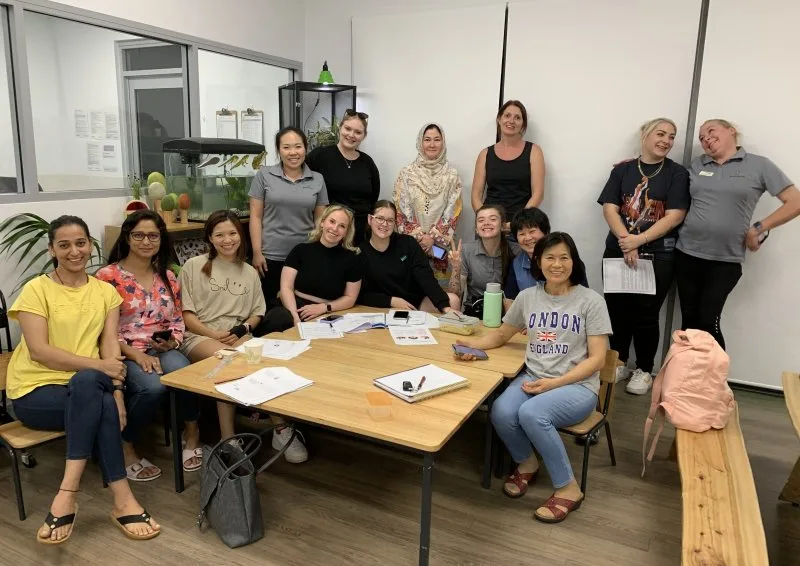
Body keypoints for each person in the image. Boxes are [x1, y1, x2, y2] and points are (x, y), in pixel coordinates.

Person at [6, 215, 160, 543]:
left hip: (89, 384)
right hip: (36, 391)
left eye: (80, 243)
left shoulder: (105, 292)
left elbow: (109, 349)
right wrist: (103, 375)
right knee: (93, 388)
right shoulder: (37, 290)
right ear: (52, 250)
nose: (74, 251)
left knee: (91, 385)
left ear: (90, 246)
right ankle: (120, 499)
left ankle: (67, 495)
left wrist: (119, 396)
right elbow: (40, 352)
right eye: (64, 245)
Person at [455, 232, 612, 524]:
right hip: (535, 377)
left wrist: (554, 383)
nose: (557, 264)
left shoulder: (591, 301)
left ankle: (568, 488)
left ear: (573, 261)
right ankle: (527, 462)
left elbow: (598, 359)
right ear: (538, 262)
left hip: (577, 387)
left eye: (564, 257)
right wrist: (470, 345)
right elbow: (503, 334)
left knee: (531, 413)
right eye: (549, 257)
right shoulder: (528, 297)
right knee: (500, 411)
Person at [178, 211, 304, 463]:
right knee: (230, 361)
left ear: (241, 235)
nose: (227, 240)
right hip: (198, 336)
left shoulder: (248, 271)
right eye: (220, 235)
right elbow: (187, 315)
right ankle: (228, 439)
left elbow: (257, 314)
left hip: (237, 335)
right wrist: (213, 333)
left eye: (233, 233)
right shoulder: (193, 266)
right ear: (210, 239)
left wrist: (241, 330)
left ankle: (280, 428)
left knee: (265, 362)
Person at [675, 119, 800, 349]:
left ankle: (713, 382)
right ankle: (687, 380)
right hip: (686, 255)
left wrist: (760, 227)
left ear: (731, 131)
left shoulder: (759, 165)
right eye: (701, 138)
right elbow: (671, 182)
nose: (706, 139)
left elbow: (795, 202)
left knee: (708, 320)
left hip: (725, 261)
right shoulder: (697, 164)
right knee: (689, 323)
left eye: (711, 131)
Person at [96, 210, 202, 480]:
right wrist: (134, 355)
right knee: (152, 388)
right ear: (127, 238)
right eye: (139, 235)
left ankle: (191, 436)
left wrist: (173, 341)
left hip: (160, 348)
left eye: (153, 235)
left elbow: (178, 318)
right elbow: (99, 329)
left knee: (185, 373)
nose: (146, 241)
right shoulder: (107, 277)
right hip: (123, 351)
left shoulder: (167, 275)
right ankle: (125, 445)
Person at [597, 118, 690, 395]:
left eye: (671, 137)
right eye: (661, 134)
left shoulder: (677, 174)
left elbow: (675, 215)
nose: (666, 141)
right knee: (616, 310)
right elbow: (610, 209)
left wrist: (639, 240)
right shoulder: (623, 170)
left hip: (657, 256)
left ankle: (645, 369)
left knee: (647, 315)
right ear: (645, 136)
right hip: (618, 252)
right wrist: (627, 242)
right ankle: (620, 361)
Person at [249, 126, 328, 316]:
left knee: (300, 311)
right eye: (286, 147)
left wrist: (319, 255)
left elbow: (320, 220)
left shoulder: (317, 179)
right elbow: (256, 216)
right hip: (270, 258)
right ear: (278, 150)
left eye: (298, 146)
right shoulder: (264, 175)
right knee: (270, 312)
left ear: (305, 148)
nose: (293, 152)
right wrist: (257, 252)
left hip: (305, 258)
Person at [359, 200, 461, 313]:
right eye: (380, 218)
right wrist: (391, 301)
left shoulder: (408, 243)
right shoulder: (360, 252)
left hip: (415, 302)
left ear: (395, 223)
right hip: (383, 305)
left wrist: (444, 306)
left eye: (390, 220)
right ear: (370, 219)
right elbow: (361, 294)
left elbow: (425, 276)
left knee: (453, 301)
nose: (385, 224)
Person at [393, 123, 463, 282]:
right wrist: (419, 237)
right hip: (412, 244)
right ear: (420, 142)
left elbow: (453, 211)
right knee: (410, 291)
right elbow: (401, 209)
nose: (432, 144)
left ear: (443, 143)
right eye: (427, 139)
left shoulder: (452, 176)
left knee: (440, 293)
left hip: (439, 248)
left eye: (437, 140)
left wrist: (432, 238)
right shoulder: (407, 174)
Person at [280, 204, 364, 323]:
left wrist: (324, 308)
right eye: (332, 221)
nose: (335, 228)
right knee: (277, 320)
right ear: (322, 222)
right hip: (293, 307)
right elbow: (286, 288)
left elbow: (350, 298)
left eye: (342, 226)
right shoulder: (300, 250)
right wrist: (294, 316)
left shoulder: (352, 259)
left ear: (346, 232)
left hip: (329, 311)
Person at [306, 109, 379, 244]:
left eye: (358, 132)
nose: (351, 135)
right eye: (348, 129)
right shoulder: (320, 156)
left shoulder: (368, 163)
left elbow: (374, 197)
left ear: (364, 136)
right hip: (331, 232)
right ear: (340, 128)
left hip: (360, 234)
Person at [471, 100, 545, 232]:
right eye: (507, 115)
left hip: (522, 227)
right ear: (499, 119)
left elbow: (538, 194)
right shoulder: (485, 154)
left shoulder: (534, 151)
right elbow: (476, 196)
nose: (511, 121)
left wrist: (517, 223)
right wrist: (487, 221)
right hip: (489, 227)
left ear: (523, 125)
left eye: (517, 118)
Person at [503, 207, 589, 304]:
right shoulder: (516, 264)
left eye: (532, 231)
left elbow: (583, 297)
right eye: (522, 234)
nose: (527, 238)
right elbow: (510, 300)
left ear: (546, 232)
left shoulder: (568, 260)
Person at [448, 204, 519, 317]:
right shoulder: (466, 250)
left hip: (507, 313)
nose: (486, 223)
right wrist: (456, 268)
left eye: (492, 219)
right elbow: (455, 294)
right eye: (481, 220)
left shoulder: (516, 251)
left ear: (502, 225)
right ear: (476, 229)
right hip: (475, 311)